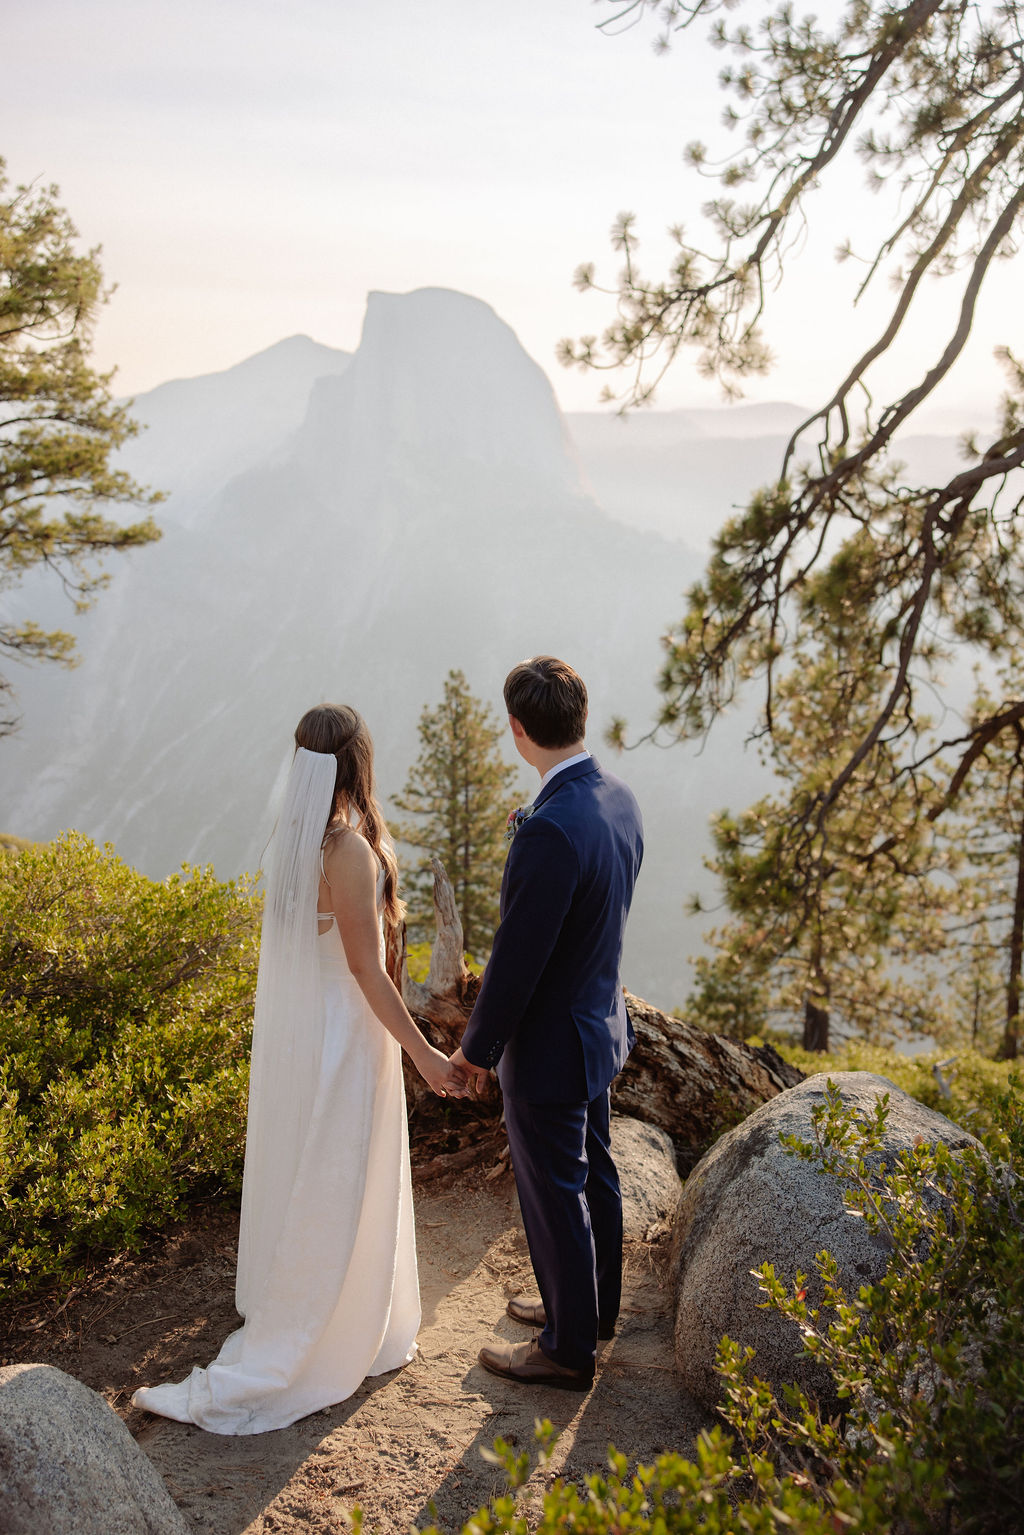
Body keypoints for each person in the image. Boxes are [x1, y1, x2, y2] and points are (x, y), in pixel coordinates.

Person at [133, 705, 455, 1434]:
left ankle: (351, 1311)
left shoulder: (297, 842)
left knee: (326, 1178)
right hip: (348, 1040)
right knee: (339, 1184)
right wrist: (424, 1053)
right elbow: (370, 976)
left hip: (316, 1038)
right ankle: (327, 1327)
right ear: (358, 764)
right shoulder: (349, 853)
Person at [449, 657, 644, 1391]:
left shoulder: (549, 829)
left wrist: (475, 1051)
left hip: (551, 1049)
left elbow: (516, 962)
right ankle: (590, 1311)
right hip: (598, 1027)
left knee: (556, 1189)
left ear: (519, 729)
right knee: (595, 1173)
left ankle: (566, 1350)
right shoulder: (617, 799)